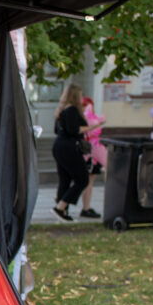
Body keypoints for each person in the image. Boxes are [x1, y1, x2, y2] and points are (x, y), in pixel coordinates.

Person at [52, 84, 104, 222]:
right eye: (80, 95)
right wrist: (94, 126)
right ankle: (61, 206)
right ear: (75, 96)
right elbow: (74, 130)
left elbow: (57, 131)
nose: (81, 98)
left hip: (59, 146)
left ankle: (62, 210)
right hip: (70, 147)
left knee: (65, 179)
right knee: (82, 179)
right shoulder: (72, 110)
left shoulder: (61, 110)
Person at [79, 96, 106, 219]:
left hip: (89, 152)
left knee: (89, 181)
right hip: (91, 151)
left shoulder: (84, 116)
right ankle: (86, 207)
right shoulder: (86, 117)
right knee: (88, 182)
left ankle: (86, 207)